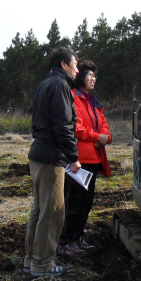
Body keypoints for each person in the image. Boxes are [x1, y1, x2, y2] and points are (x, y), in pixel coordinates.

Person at [24, 47, 81, 277]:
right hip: (50, 159)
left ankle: (31, 260)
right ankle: (44, 264)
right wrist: (73, 157)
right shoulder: (60, 86)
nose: (77, 70)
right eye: (75, 64)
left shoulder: (45, 84)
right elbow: (63, 125)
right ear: (64, 65)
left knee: (39, 210)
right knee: (53, 211)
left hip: (38, 154)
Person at [60, 59, 111, 258]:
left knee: (86, 202)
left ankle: (77, 238)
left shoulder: (93, 101)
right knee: (75, 202)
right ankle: (67, 241)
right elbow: (77, 128)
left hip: (93, 158)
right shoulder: (74, 98)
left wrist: (103, 136)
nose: (93, 78)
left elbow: (104, 124)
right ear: (80, 75)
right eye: (89, 74)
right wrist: (98, 137)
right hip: (79, 160)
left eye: (94, 75)